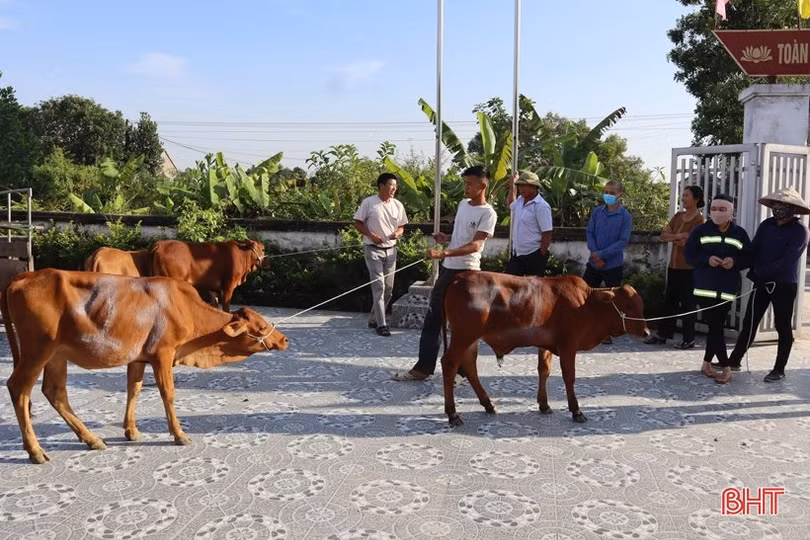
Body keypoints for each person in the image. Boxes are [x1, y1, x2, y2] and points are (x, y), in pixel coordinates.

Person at [391, 165, 497, 381]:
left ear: (482, 185)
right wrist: (446, 237)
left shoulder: (488, 213)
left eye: (469, 184)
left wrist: (444, 253)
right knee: (433, 319)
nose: (465, 187)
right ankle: (422, 368)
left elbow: (476, 244)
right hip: (449, 270)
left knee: (463, 326)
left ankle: (462, 372)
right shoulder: (462, 205)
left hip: (468, 274)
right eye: (464, 183)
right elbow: (462, 236)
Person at [724, 187, 810, 382]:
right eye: (776, 205)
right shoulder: (766, 226)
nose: (778, 208)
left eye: (784, 205)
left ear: (792, 209)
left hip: (783, 285)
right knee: (750, 322)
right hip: (761, 283)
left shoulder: (800, 231)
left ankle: (779, 368)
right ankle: (734, 360)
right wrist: (736, 263)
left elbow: (788, 260)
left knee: (782, 326)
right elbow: (753, 251)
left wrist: (761, 272)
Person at [684, 193, 752, 384]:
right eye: (714, 209)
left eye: (722, 209)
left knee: (716, 328)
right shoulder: (700, 231)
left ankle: (706, 364)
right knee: (716, 327)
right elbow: (690, 255)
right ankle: (726, 367)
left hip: (727, 288)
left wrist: (735, 261)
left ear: (731, 212)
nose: (717, 213)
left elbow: (749, 257)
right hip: (705, 288)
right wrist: (707, 260)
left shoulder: (740, 234)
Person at [645, 185, 706, 349]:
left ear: (696, 199)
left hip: (689, 269)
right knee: (669, 301)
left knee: (688, 304)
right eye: (683, 195)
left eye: (686, 195)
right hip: (674, 266)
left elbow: (688, 242)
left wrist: (677, 238)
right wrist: (678, 236)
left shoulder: (700, 221)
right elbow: (664, 235)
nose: (683, 198)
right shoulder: (678, 216)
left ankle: (689, 338)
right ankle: (663, 334)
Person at [353, 172, 408, 337]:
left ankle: (373, 318)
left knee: (389, 289)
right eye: (391, 185)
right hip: (373, 250)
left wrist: (398, 233)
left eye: (395, 186)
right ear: (381, 186)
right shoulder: (369, 203)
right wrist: (371, 235)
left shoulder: (398, 205)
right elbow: (357, 222)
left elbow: (402, 226)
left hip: (391, 250)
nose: (393, 189)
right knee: (379, 287)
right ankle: (382, 324)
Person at [583, 179, 633, 344]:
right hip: (594, 263)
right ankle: (585, 327)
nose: (608, 195)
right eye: (606, 192)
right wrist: (595, 254)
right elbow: (590, 233)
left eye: (612, 193)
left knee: (612, 301)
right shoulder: (597, 212)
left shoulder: (625, 217)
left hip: (612, 265)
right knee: (585, 296)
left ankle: (607, 332)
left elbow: (622, 241)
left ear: (620, 195)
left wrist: (602, 255)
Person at [505, 171, 553, 276]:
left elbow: (547, 233)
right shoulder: (519, 201)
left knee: (533, 289)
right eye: (520, 185)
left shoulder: (541, 206)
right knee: (511, 285)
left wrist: (541, 254)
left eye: (524, 185)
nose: (521, 189)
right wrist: (513, 186)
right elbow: (510, 205)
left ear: (534, 187)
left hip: (534, 254)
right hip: (517, 254)